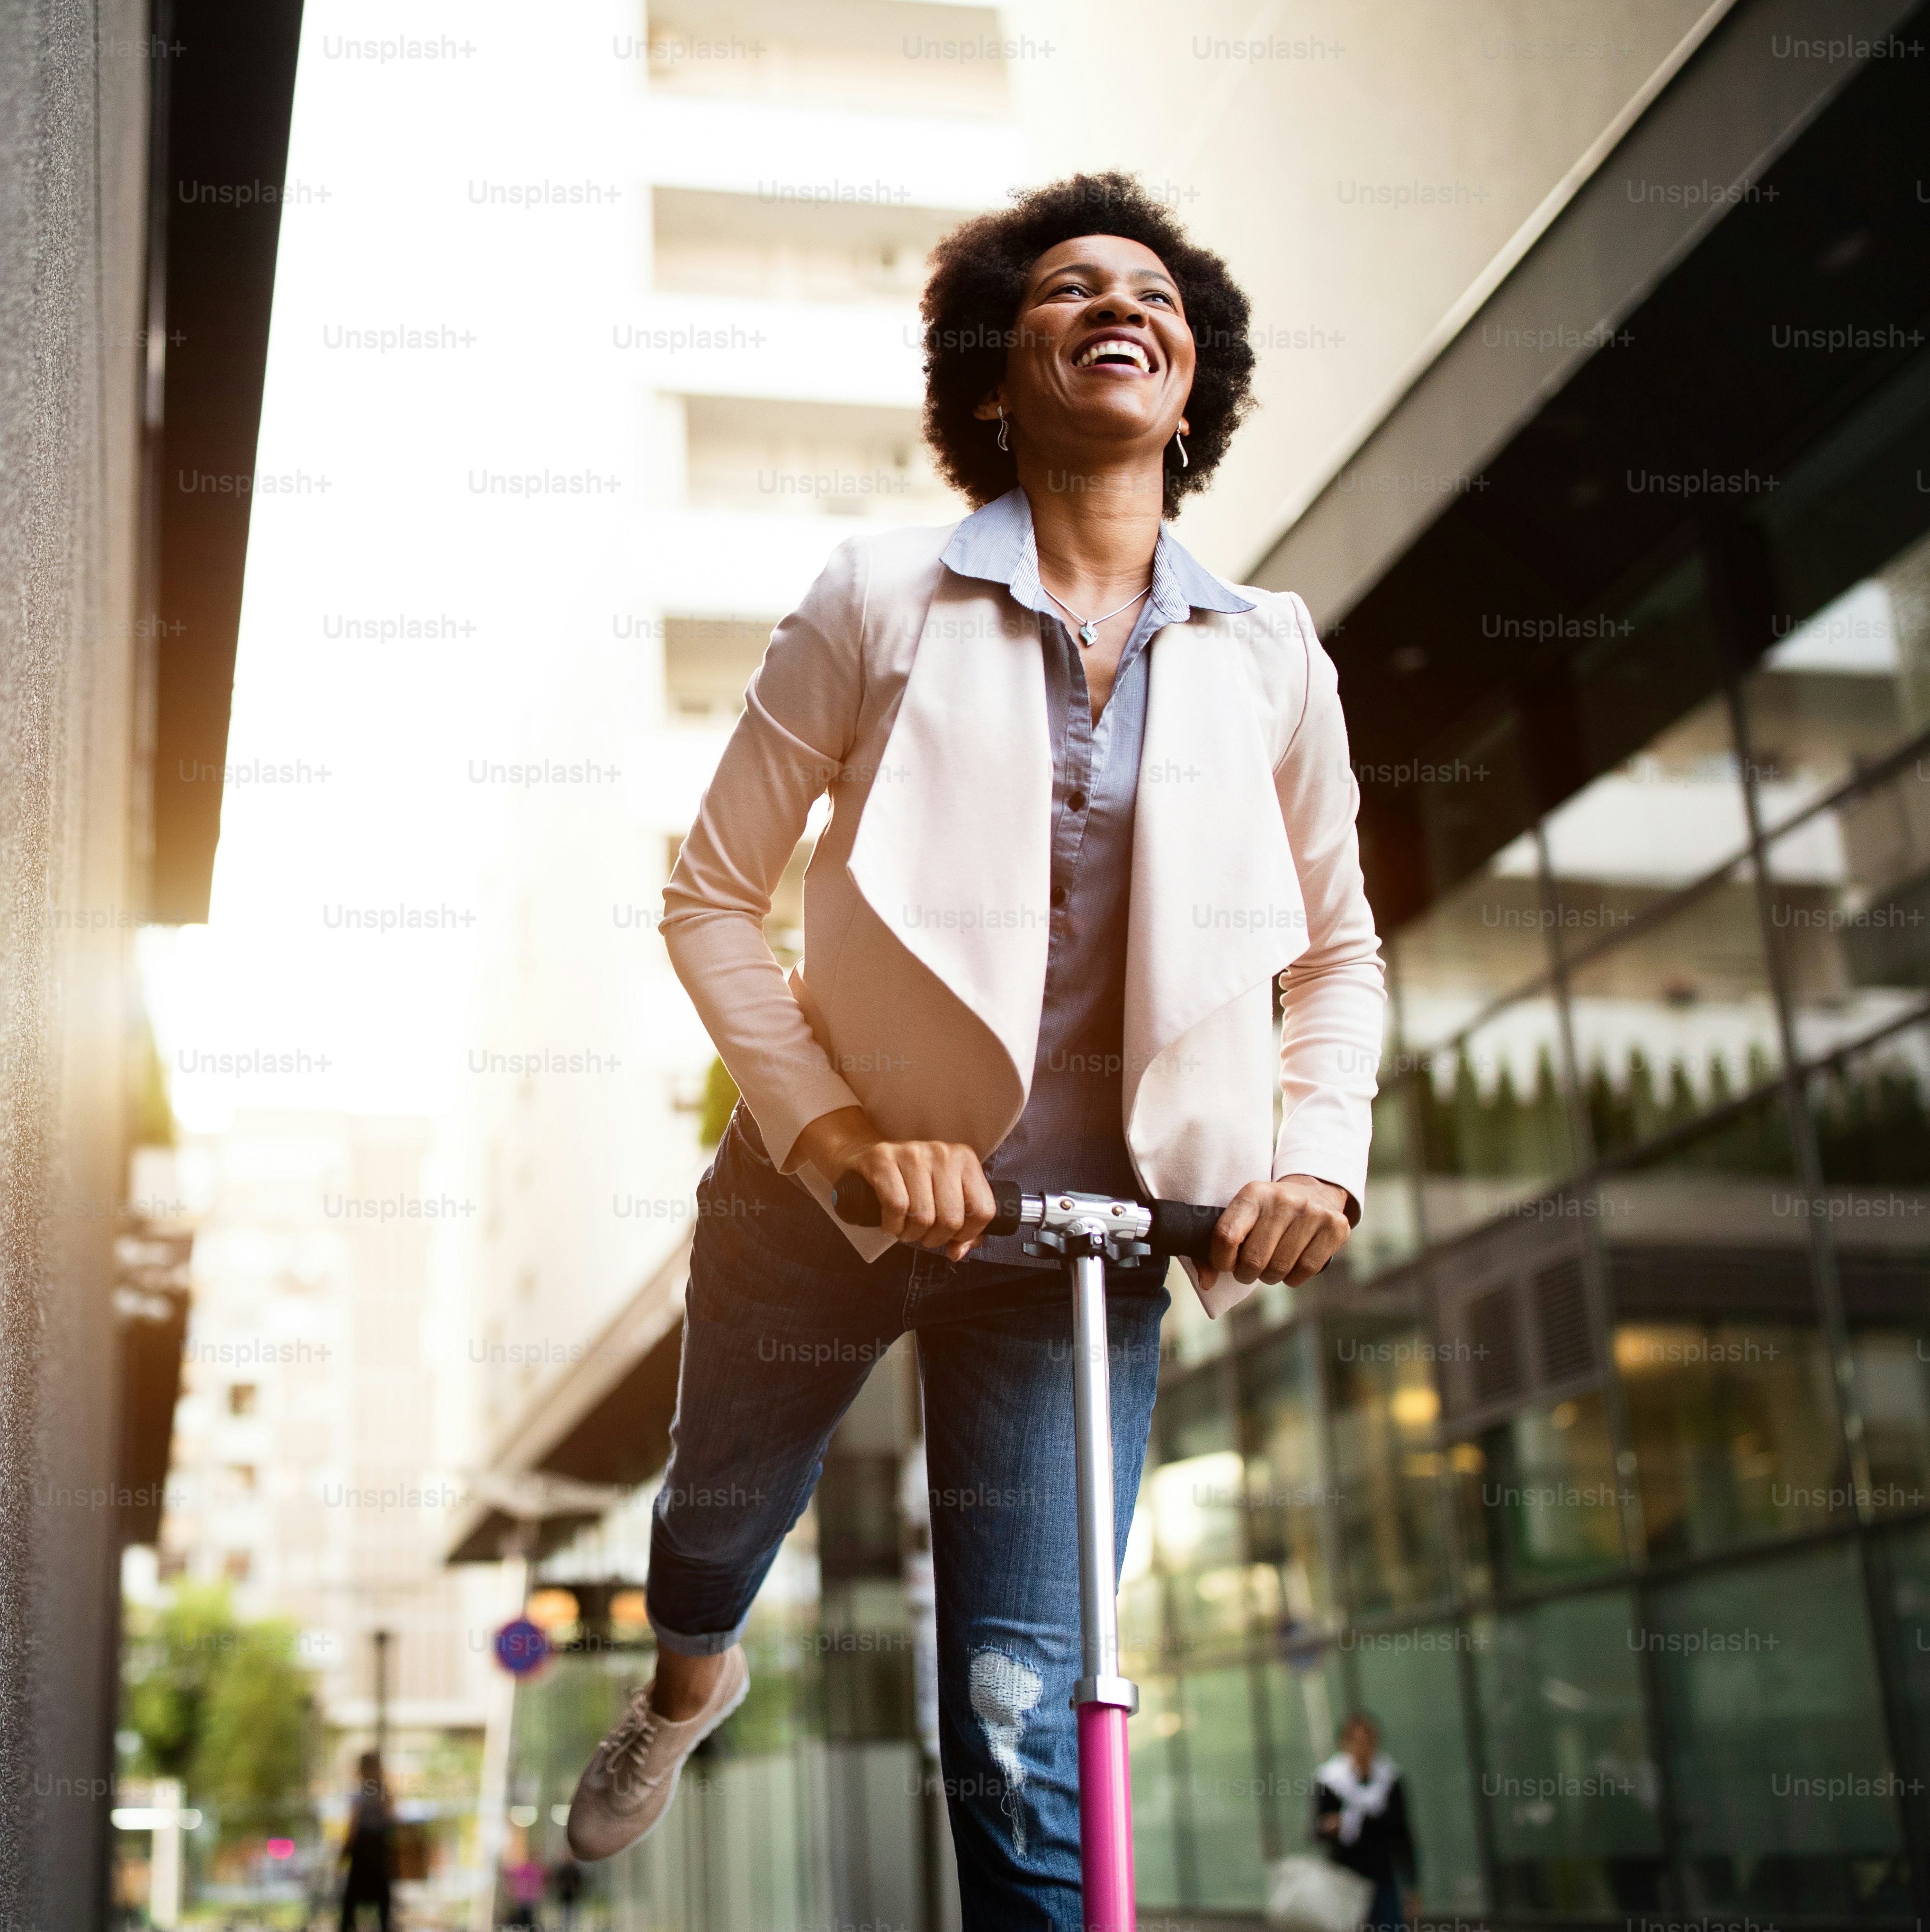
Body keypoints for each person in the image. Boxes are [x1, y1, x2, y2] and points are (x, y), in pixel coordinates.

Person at [560, 171, 1385, 1932]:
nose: (1119, 301)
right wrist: (844, 1133)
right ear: (996, 377)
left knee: (1024, 1709)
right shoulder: (878, 601)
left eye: (1153, 290)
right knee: (712, 1530)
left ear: (1192, 372)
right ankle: (688, 1691)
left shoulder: (1270, 656)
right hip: (832, 1195)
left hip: (1081, 1252)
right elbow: (710, 897)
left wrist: (1316, 1152)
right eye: (1067, 286)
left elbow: (1336, 951)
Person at [1315, 1713, 1419, 1931]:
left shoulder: (1390, 1780)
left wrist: (1412, 1884)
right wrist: (1331, 1827)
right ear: (1345, 1744)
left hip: (1382, 1876)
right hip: (1345, 1878)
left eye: (1368, 1740)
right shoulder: (1330, 1781)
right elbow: (1316, 1830)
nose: (1362, 1747)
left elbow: (1402, 1833)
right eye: (1356, 1741)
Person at [336, 1750, 396, 1931]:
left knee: (353, 1899)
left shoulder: (364, 1794)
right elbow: (391, 1818)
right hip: (377, 1850)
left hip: (367, 1850)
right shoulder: (383, 1794)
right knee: (380, 1900)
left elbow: (354, 1827)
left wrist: (345, 1852)